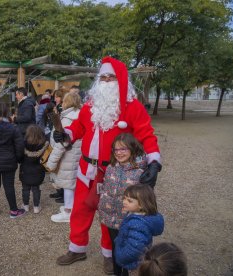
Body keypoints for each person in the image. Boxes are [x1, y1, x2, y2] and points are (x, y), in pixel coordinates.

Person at [54, 56, 161, 275]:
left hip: (114, 172)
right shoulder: (90, 107)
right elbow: (79, 127)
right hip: (86, 170)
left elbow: (147, 135)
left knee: (111, 216)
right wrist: (66, 134)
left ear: (120, 79)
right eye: (102, 77)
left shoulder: (133, 108)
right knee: (80, 211)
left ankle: (110, 255)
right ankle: (77, 248)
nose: (105, 81)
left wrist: (154, 162)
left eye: (110, 77)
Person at [98, 133, 147, 275]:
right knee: (115, 247)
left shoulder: (140, 172)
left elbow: (144, 199)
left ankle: (126, 272)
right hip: (110, 217)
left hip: (129, 220)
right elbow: (106, 189)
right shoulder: (111, 168)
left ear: (132, 149)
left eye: (123, 149)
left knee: (127, 249)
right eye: (116, 149)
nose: (119, 153)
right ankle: (117, 272)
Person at [46, 93, 82, 223]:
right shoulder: (80, 114)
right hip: (77, 154)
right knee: (74, 183)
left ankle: (68, 211)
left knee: (68, 184)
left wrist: (51, 162)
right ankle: (72, 208)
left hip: (68, 156)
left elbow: (62, 143)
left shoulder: (67, 118)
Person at [114, 184, 164, 275]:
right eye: (124, 198)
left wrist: (120, 256)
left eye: (129, 201)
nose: (124, 202)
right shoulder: (138, 215)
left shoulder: (137, 224)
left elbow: (134, 249)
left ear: (141, 204)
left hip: (133, 262)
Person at [19, 125, 48, 214]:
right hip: (38, 170)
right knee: (36, 188)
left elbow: (20, 157)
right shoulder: (44, 144)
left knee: (25, 189)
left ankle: (26, 205)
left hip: (25, 170)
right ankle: (36, 206)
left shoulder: (23, 144)